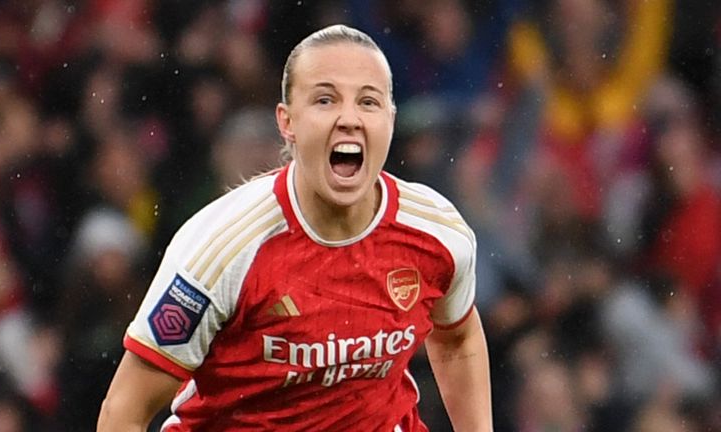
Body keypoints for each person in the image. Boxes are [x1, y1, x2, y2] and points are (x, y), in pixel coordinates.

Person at [97, 24, 492, 431]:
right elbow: (124, 411)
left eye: (368, 102)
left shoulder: (437, 232)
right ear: (287, 122)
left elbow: (458, 340)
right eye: (325, 99)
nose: (349, 119)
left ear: (390, 120)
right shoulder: (224, 248)